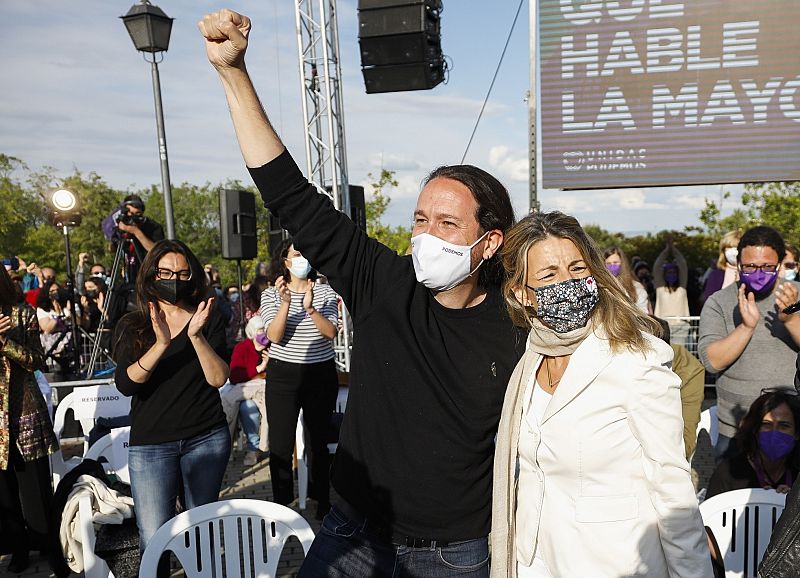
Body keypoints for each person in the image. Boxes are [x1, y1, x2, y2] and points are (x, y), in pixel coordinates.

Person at [201, 10, 525, 576]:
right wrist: (233, 73)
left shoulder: (519, 322)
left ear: (490, 241)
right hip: (351, 534)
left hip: (455, 553)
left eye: (447, 224)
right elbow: (288, 192)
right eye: (420, 219)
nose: (426, 236)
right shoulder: (384, 280)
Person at [491, 211, 711, 578]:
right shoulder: (528, 362)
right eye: (549, 275)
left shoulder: (636, 359)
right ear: (521, 294)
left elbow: (672, 487)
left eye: (577, 268)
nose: (568, 282)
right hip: (534, 562)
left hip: (615, 564)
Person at [112, 239, 230, 568]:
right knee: (154, 536)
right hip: (152, 444)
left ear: (192, 275)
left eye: (181, 273)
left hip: (206, 437)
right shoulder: (133, 324)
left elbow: (218, 378)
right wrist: (161, 343)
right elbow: (126, 384)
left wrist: (196, 336)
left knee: (202, 530)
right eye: (165, 272)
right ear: (151, 274)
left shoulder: (207, 318)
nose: (173, 280)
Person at [698, 226, 800, 461]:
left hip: (792, 427)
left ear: (780, 264)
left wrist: (791, 320)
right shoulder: (719, 302)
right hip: (736, 428)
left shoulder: (795, 295)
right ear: (738, 264)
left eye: (767, 267)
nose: (758, 273)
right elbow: (712, 361)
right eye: (750, 266)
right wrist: (746, 327)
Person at [259, 238, 339, 516]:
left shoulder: (325, 291)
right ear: (285, 261)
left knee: (318, 441)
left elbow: (331, 332)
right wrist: (286, 303)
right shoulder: (271, 294)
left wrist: (310, 309)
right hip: (283, 375)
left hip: (320, 373)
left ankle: (322, 500)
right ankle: (282, 504)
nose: (302, 258)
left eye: (306, 252)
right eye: (296, 254)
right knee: (281, 443)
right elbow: (274, 336)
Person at [0, 266, 57, 574]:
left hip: (24, 412)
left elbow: (37, 360)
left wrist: (5, 343)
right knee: (4, 491)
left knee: (34, 486)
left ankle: (47, 545)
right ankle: (16, 548)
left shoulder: (22, 313)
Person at [706, 389, 800, 499]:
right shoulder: (728, 473)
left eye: (784, 426)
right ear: (755, 429)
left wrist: (794, 502)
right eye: (766, 424)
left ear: (797, 433)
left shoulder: (797, 472)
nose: (774, 432)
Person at [229, 315, 270, 466]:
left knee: (268, 407)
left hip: (266, 389)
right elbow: (235, 376)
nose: (263, 333)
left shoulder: (272, 347)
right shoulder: (242, 348)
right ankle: (253, 447)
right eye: (260, 330)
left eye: (265, 329)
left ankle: (263, 445)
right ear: (252, 332)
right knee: (247, 408)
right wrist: (261, 367)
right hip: (246, 390)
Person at [113, 194, 165, 284]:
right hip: (130, 276)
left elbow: (155, 250)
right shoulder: (123, 226)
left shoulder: (153, 227)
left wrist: (136, 231)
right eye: (130, 213)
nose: (132, 217)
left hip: (149, 277)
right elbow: (113, 248)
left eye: (137, 214)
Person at [654, 236, 691, 347]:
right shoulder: (660, 287)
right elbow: (657, 266)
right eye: (668, 272)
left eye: (674, 272)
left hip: (680, 326)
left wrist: (673, 249)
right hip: (663, 326)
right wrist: (666, 250)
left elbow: (682, 263)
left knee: (679, 354)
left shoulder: (682, 287)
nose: (671, 274)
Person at [603, 246, 650, 313]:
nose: (612, 266)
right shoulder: (601, 286)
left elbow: (643, 312)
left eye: (615, 262)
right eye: (608, 263)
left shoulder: (636, 287)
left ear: (622, 263)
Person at [701, 229, 741, 304]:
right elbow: (709, 302)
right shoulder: (716, 275)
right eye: (729, 247)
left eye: (736, 247)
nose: (733, 252)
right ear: (723, 251)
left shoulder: (751, 274)